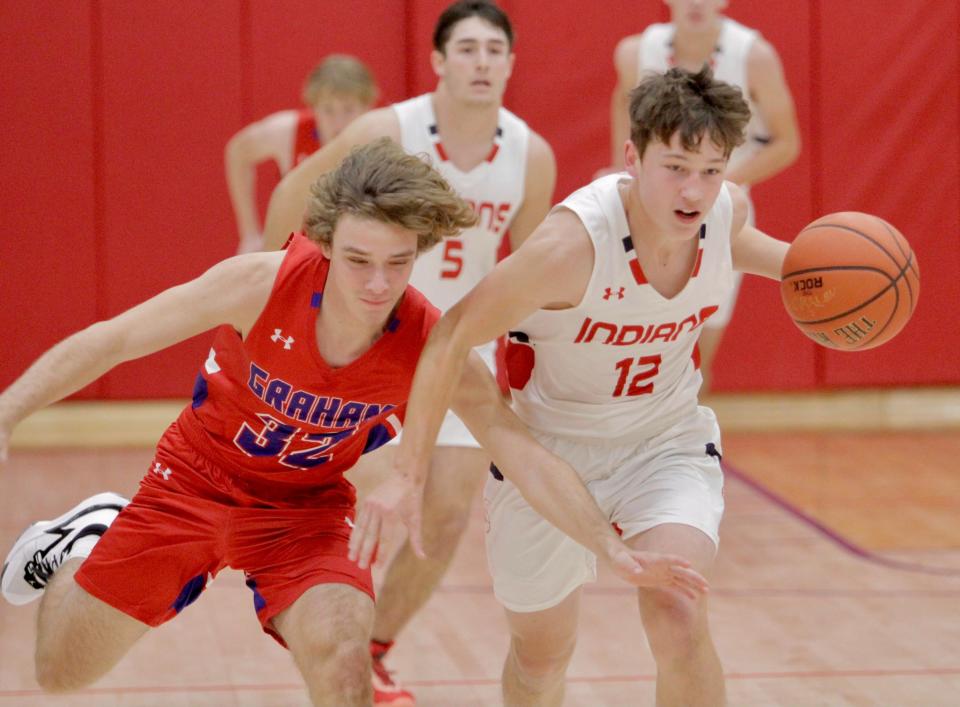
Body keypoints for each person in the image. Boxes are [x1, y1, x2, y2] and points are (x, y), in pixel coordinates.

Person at [0, 139, 706, 707]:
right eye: (358, 261)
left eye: (397, 264)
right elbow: (112, 339)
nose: (375, 285)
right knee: (60, 670)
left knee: (345, 665)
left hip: (305, 514)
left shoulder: (427, 343)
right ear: (327, 240)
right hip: (194, 481)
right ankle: (82, 540)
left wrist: (608, 547)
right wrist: (8, 412)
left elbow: (515, 444)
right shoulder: (260, 283)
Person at [352, 67, 789, 706]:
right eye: (675, 167)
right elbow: (449, 337)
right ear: (633, 157)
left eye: (711, 170)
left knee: (677, 613)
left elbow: (774, 255)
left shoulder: (724, 214)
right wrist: (410, 472)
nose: (694, 190)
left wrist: (846, 287)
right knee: (541, 657)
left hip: (662, 443)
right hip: (549, 454)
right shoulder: (570, 247)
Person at [263, 3, 556, 703]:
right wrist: (272, 292)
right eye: (468, 48)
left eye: (495, 50)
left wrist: (531, 353)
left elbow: (539, 269)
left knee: (450, 509)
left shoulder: (530, 154)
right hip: (372, 336)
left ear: (511, 64)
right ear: (439, 60)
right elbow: (289, 196)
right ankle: (301, 598)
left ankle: (374, 648)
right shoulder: (387, 130)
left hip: (458, 347)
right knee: (336, 493)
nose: (482, 61)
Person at [608, 0, 800, 391]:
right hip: (645, 219)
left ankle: (688, 445)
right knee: (630, 348)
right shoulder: (636, 52)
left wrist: (708, 182)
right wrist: (619, 173)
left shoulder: (753, 56)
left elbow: (787, 142)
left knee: (694, 361)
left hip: (720, 217)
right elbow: (622, 113)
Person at [226, 54, 378, 254]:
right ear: (313, 107)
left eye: (348, 109)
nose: (338, 121)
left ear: (367, 107)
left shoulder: (380, 136)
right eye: (328, 110)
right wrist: (250, 233)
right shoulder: (289, 132)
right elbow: (237, 151)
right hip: (296, 255)